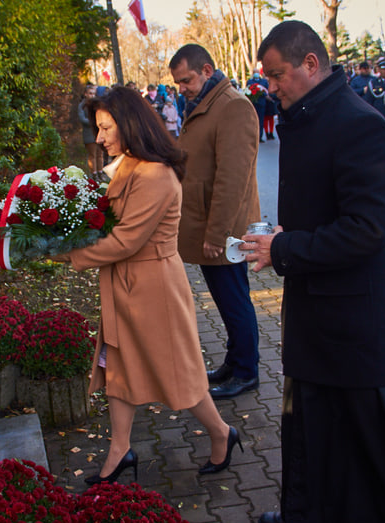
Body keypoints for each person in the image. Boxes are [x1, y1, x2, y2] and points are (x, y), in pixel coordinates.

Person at [245, 20, 385, 523]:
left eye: (276, 75)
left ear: (310, 65)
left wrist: (283, 249)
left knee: (375, 424)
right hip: (317, 298)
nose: (270, 86)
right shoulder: (307, 116)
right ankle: (311, 509)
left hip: (360, 308)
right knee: (311, 413)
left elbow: (367, 229)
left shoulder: (360, 124)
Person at [57, 87, 242, 485]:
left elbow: (126, 240)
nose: (100, 137)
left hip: (153, 289)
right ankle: (120, 451)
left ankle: (222, 433)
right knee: (116, 367)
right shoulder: (129, 166)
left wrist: (63, 253)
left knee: (180, 374)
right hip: (124, 285)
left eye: (106, 128)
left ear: (130, 124)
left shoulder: (154, 174)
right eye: (98, 128)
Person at [169, 44, 262, 399]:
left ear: (207, 70)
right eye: (178, 83)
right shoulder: (207, 102)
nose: (182, 88)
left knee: (235, 300)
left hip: (224, 228)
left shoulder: (233, 106)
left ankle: (246, 371)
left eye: (187, 80)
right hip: (210, 224)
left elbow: (232, 179)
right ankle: (235, 361)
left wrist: (218, 233)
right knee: (228, 299)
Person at [78, 83, 104, 180]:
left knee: (100, 154)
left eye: (93, 93)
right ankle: (94, 174)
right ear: (85, 94)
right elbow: (83, 119)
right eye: (90, 93)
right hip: (89, 134)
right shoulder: (82, 106)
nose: (92, 95)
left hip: (98, 133)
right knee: (92, 154)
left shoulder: (97, 105)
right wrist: (94, 122)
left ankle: (100, 173)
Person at [246, 70, 269, 141]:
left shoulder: (264, 81)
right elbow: (247, 91)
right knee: (253, 120)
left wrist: (261, 92)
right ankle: (253, 136)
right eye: (254, 72)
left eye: (257, 72)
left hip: (261, 103)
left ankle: (260, 136)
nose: (256, 74)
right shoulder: (250, 81)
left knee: (261, 120)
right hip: (253, 104)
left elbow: (267, 91)